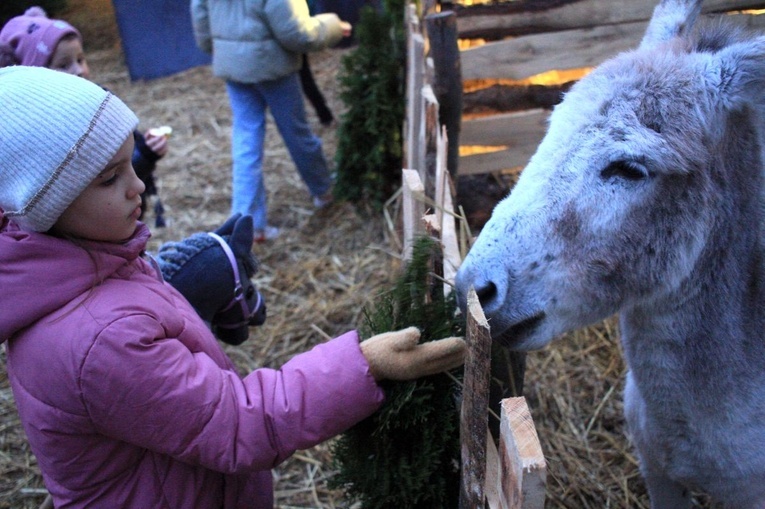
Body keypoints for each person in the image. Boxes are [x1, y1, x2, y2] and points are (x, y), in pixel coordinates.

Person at [0, 66, 466, 508]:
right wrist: (363, 365)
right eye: (109, 178)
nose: (138, 185)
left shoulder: (86, 268)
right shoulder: (99, 343)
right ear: (46, 205)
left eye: (130, 165)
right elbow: (236, 423)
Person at [191, 0, 350, 243]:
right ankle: (323, 190)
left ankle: (249, 225)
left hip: (233, 67)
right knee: (296, 133)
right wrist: (333, 26)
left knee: (246, 140)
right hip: (273, 66)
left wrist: (224, 50)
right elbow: (297, 34)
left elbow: (201, 21)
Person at [0, 6, 170, 227]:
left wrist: (145, 148)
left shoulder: (97, 103)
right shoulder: (58, 139)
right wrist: (145, 156)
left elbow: (117, 170)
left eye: (80, 59)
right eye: (63, 65)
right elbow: (102, 179)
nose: (79, 70)